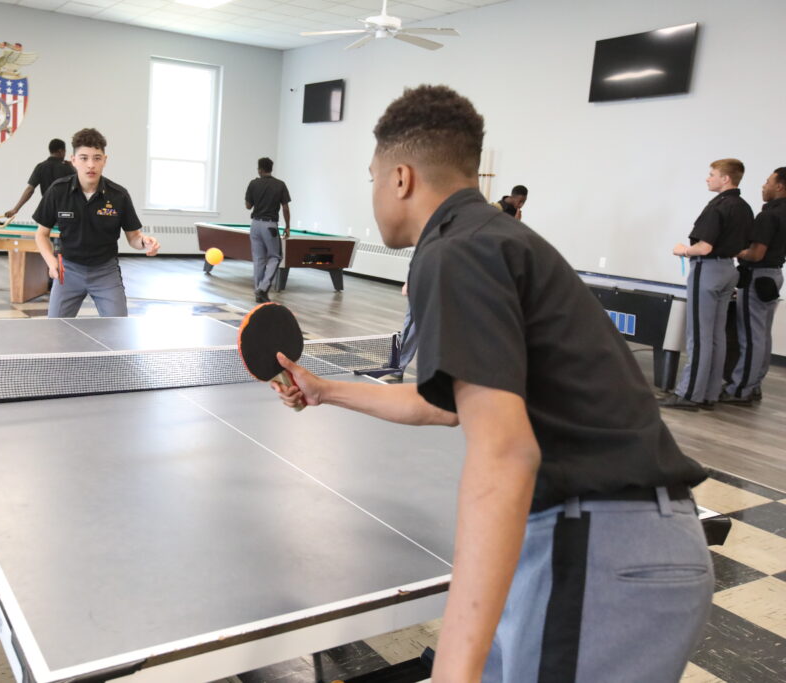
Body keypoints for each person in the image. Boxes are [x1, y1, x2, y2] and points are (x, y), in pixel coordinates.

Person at [271, 85, 712, 683]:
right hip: (601, 545)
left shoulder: (454, 251)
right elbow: (450, 408)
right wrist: (326, 389)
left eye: (372, 176)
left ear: (400, 177)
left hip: (600, 546)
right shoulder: (491, 238)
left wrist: (455, 670)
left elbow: (504, 453)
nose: (373, 190)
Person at [33, 128, 159, 318]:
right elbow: (41, 234)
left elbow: (134, 237)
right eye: (84, 158)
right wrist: (51, 263)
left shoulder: (119, 195)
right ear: (73, 160)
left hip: (105, 272)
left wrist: (144, 242)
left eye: (97, 158)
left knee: (117, 331)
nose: (90, 164)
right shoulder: (58, 191)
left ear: (105, 160)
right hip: (67, 271)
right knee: (55, 331)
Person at [661, 159, 753, 410]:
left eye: (712, 174)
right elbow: (745, 246)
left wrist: (683, 250)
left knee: (699, 337)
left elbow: (705, 246)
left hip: (708, 270)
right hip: (728, 270)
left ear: (725, 179)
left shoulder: (719, 206)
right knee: (716, 336)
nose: (707, 178)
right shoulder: (744, 207)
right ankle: (709, 393)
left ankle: (689, 394)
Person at [722, 167, 786, 404]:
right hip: (774, 276)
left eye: (768, 181)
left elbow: (756, 254)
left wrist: (730, 250)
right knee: (761, 335)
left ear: (780, 186)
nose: (763, 186)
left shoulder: (769, 215)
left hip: (758, 277)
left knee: (750, 337)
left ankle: (740, 389)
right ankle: (754, 384)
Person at [245, 157, 291, 303]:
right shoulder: (280, 185)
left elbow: (248, 206)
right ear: (271, 168)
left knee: (258, 259)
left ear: (260, 169)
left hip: (255, 224)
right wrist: (288, 226)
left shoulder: (253, 183)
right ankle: (262, 289)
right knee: (275, 257)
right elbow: (285, 207)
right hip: (270, 225)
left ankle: (258, 290)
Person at [4, 138, 74, 218]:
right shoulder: (68, 168)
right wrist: (74, 168)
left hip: (47, 211)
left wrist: (15, 209)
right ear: (61, 151)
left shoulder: (40, 167)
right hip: (66, 212)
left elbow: (30, 189)